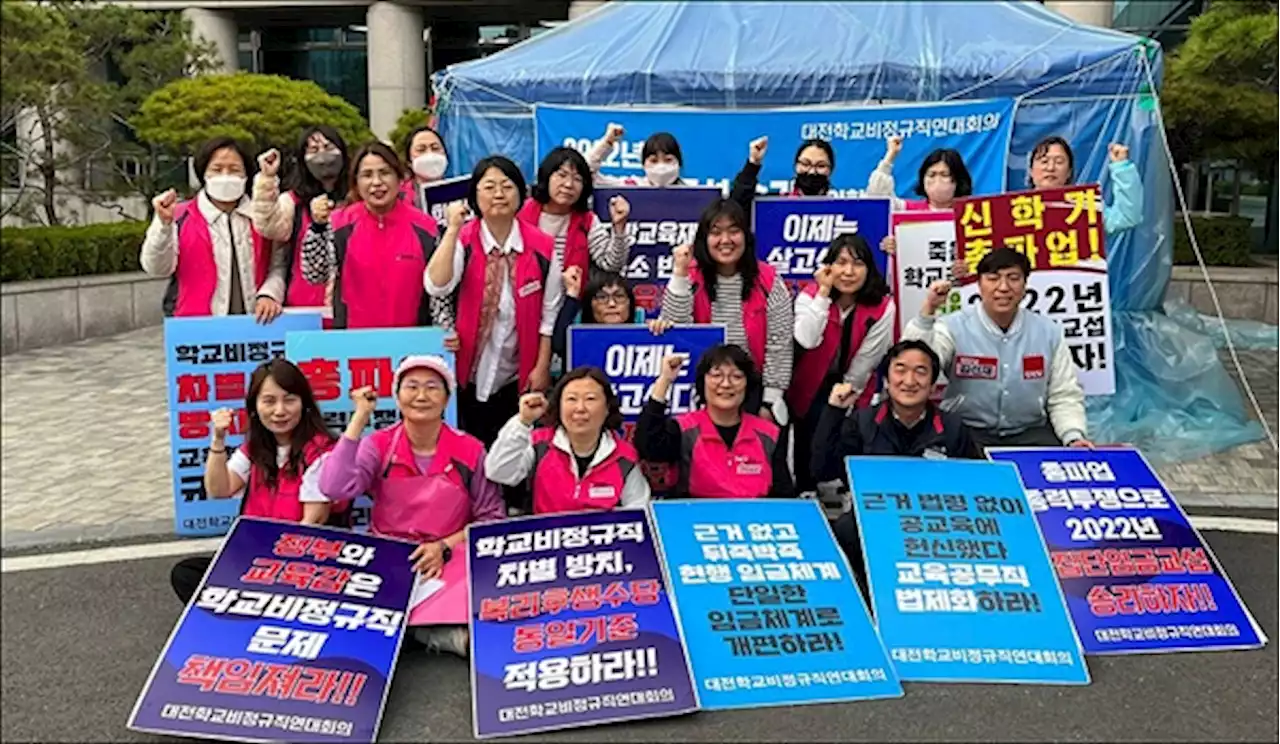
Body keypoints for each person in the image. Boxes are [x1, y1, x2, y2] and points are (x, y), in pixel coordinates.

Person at [319, 355, 505, 657]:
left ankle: (416, 630)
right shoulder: (378, 444)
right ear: (397, 396)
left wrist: (444, 546)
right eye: (412, 387)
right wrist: (359, 419)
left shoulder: (470, 449)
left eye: (432, 387)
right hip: (391, 555)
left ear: (447, 399)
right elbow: (333, 487)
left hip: (448, 556)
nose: (421, 396)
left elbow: (491, 519)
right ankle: (435, 635)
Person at [810, 340, 981, 594]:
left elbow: (976, 483)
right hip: (875, 521)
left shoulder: (953, 427)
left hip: (935, 527)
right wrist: (834, 411)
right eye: (900, 370)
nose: (909, 380)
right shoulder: (863, 422)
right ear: (887, 380)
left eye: (920, 372)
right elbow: (822, 470)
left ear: (933, 384)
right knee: (845, 528)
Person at [169, 359, 338, 605]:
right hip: (257, 560)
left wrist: (270, 571)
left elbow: (311, 525)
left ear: (305, 404)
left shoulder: (322, 451)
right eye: (269, 401)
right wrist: (218, 439)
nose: (279, 411)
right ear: (254, 407)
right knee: (187, 574)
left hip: (303, 565)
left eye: (289, 399)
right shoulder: (254, 450)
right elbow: (219, 489)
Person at [425, 155, 563, 449]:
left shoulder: (543, 247)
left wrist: (541, 365)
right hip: (466, 370)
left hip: (516, 372)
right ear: (475, 195)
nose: (499, 194)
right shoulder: (463, 239)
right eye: (489, 187)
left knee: (511, 451)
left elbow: (549, 314)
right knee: (468, 449)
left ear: (521, 194)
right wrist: (451, 229)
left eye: (507, 186)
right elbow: (437, 285)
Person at [903, 247, 1092, 450]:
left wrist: (1073, 436)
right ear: (979, 284)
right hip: (965, 431)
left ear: (1025, 284)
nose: (1003, 287)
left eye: (1013, 278)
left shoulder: (1049, 332)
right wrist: (927, 312)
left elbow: (1064, 394)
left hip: (1030, 433)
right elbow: (914, 362)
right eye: (993, 278)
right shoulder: (952, 327)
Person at [660, 198, 794, 424]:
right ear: (704, 239)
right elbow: (676, 329)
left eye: (734, 231)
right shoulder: (690, 277)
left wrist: (770, 401)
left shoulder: (768, 280)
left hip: (751, 388)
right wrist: (680, 272)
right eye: (716, 232)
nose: (725, 240)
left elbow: (779, 342)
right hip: (702, 388)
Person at [789, 233, 895, 497]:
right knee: (807, 436)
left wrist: (847, 393)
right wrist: (823, 293)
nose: (849, 272)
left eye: (858, 264)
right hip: (808, 382)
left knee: (848, 434)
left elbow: (868, 358)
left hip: (855, 383)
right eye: (841, 263)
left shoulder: (883, 305)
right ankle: (806, 489)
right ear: (828, 267)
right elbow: (807, 338)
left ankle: (847, 494)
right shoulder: (808, 295)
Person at [141, 136, 286, 320]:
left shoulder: (261, 217)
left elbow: (279, 264)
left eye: (234, 170)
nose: (225, 176)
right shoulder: (179, 216)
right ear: (204, 174)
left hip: (257, 326)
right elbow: (157, 267)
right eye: (217, 169)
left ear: (246, 175)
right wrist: (163, 226)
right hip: (199, 330)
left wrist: (269, 294)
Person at [299, 141, 439, 329]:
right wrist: (317, 227)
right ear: (356, 182)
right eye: (367, 175)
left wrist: (444, 331)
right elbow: (314, 274)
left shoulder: (427, 227)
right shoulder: (338, 224)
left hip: (411, 344)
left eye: (384, 173)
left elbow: (439, 294)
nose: (376, 182)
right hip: (354, 344)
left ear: (400, 178)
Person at [486, 366, 651, 514]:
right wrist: (523, 422)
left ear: (607, 408)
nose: (580, 408)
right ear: (559, 406)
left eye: (590, 399)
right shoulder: (540, 444)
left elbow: (639, 513)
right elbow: (499, 472)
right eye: (571, 399)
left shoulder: (624, 458)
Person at [636, 345, 794, 499]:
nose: (726, 384)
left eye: (737, 376)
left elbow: (785, 498)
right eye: (716, 375)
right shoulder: (684, 429)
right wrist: (665, 380)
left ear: (748, 385)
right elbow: (647, 446)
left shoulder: (769, 435)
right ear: (702, 381)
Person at [250, 126, 350, 313]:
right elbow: (268, 226)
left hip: (352, 308)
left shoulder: (358, 200)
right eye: (313, 150)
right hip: (303, 309)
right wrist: (267, 177)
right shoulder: (293, 202)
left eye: (328, 147)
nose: (322, 156)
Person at [518, 146, 633, 281]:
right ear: (546, 177)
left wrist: (619, 227)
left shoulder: (587, 221)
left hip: (571, 298)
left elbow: (612, 264)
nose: (568, 184)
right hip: (525, 297)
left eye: (577, 179)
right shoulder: (520, 213)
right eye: (562, 175)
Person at [871, 138, 974, 257]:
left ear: (958, 180)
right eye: (931, 174)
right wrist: (890, 156)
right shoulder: (907, 210)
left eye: (944, 175)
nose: (937, 180)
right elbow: (878, 196)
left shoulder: (970, 215)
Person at [1027, 136, 1143, 235]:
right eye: (1044, 161)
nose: (1050, 168)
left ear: (1069, 172)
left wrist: (1121, 166)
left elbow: (1126, 218)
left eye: (1059, 162)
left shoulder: (1084, 206)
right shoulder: (1013, 211)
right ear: (1031, 170)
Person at [729, 136, 836, 213]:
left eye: (821, 166)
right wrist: (753, 164)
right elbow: (736, 206)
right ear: (795, 166)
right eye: (805, 164)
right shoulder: (775, 204)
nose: (812, 171)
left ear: (831, 170)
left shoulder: (840, 208)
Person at [587, 124, 691, 187]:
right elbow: (586, 174)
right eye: (654, 161)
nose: (661, 166)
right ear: (643, 164)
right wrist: (607, 142)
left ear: (679, 163)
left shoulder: (694, 192)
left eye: (668, 160)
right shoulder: (632, 186)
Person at [401, 124, 449, 211]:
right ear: (409, 162)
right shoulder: (399, 198)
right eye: (421, 150)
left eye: (435, 148)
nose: (430, 154)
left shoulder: (460, 191)